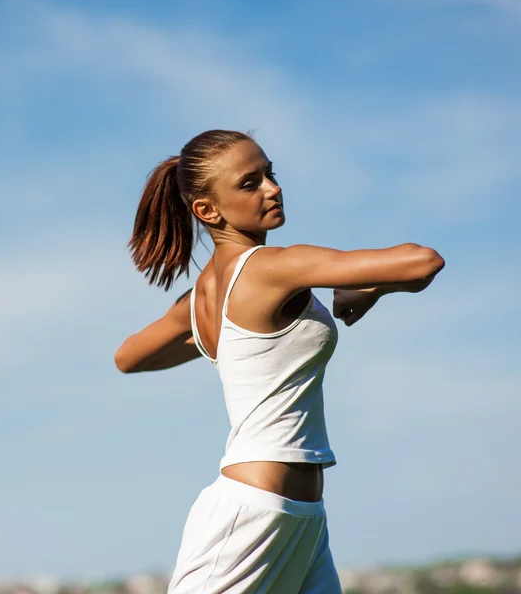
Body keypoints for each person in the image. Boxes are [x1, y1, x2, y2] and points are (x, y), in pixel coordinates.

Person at [114, 130, 445, 593]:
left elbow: (129, 357)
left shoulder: (198, 300)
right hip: (249, 516)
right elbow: (422, 260)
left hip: (303, 522)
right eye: (250, 183)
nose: (272, 188)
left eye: (271, 174)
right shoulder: (273, 266)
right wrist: (373, 287)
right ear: (208, 211)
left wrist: (223, 343)